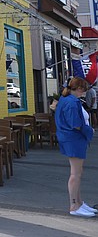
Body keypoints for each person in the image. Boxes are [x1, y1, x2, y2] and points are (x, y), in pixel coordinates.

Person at [55, 76, 96, 217]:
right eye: (83, 90)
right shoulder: (72, 102)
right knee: (75, 174)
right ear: (78, 89)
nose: (84, 92)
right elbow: (76, 124)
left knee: (77, 173)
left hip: (71, 139)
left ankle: (79, 203)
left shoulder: (67, 100)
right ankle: (74, 205)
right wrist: (90, 131)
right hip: (73, 139)